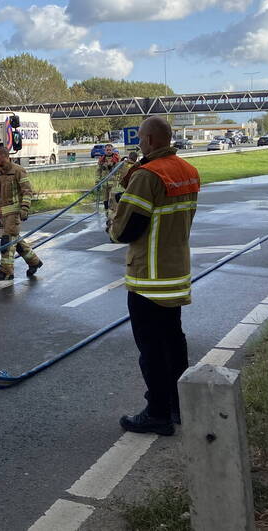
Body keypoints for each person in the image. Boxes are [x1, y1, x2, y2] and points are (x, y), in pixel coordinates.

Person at [108, 116, 200, 436]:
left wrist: (112, 211)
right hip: (175, 272)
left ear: (148, 141)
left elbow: (124, 230)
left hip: (148, 275)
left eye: (141, 140)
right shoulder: (187, 171)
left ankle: (157, 412)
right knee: (174, 342)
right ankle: (178, 405)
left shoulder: (148, 176)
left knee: (151, 349)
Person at [0, 146, 43, 281]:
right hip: (4, 214)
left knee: (7, 241)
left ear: (6, 157)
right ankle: (34, 262)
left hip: (14, 214)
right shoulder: (0, 174)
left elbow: (27, 191)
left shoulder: (18, 171)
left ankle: (6, 272)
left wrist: (24, 208)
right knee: (16, 241)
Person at [107, 151, 139, 225]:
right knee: (122, 210)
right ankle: (118, 226)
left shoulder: (119, 164)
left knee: (112, 208)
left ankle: (110, 224)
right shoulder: (134, 167)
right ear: (136, 159)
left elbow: (111, 172)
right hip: (125, 191)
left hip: (114, 189)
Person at [97, 143, 122, 222]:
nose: (108, 151)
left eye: (110, 150)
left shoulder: (117, 158)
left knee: (112, 198)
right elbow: (98, 171)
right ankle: (106, 213)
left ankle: (113, 214)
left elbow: (121, 170)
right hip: (104, 183)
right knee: (105, 199)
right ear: (105, 150)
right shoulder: (101, 160)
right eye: (107, 150)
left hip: (114, 182)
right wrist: (97, 182)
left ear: (112, 150)